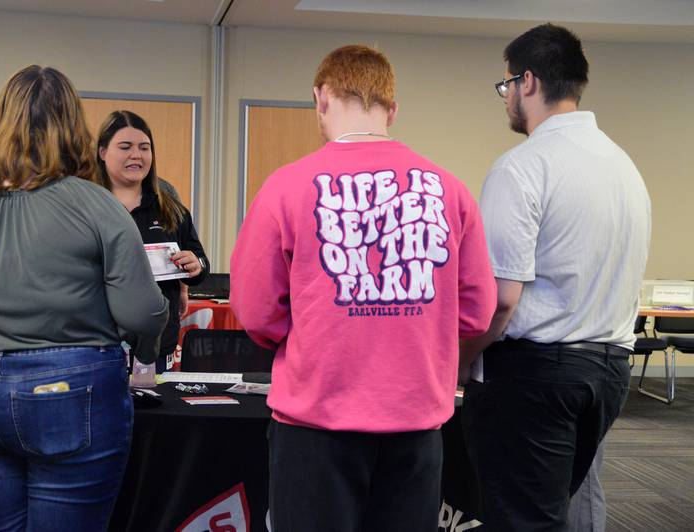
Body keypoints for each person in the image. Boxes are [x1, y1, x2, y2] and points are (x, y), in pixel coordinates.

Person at [230, 44, 497, 532]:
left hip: (316, 424)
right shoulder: (451, 190)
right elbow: (477, 313)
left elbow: (254, 311)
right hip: (416, 423)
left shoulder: (286, 187)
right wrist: (417, 323)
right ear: (392, 109)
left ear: (321, 98)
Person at [0, 66, 168, 530]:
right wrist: (149, 346)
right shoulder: (95, 203)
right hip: (71, 391)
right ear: (73, 127)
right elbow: (140, 311)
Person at [459, 24, 651, 531]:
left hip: (535, 376)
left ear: (528, 81)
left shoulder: (521, 167)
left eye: (505, 87)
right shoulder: (624, 166)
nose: (505, 101)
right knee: (565, 515)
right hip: (609, 373)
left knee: (524, 521)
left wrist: (460, 359)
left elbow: (502, 300)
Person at [95, 110, 210, 371]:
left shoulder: (170, 208)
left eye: (144, 148)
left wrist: (196, 266)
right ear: (102, 152)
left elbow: (200, 264)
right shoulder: (84, 206)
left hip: (156, 348)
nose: (136, 155)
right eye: (125, 147)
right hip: (97, 346)